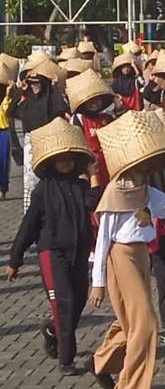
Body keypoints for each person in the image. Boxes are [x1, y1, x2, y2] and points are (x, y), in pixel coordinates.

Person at [88, 110, 165, 389]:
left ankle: (101, 362)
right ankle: (131, 384)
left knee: (131, 322)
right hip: (121, 258)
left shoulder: (145, 190)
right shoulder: (115, 193)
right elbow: (103, 241)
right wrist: (98, 283)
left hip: (143, 254)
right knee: (146, 323)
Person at [5, 119, 100, 375]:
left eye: (70, 158)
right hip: (52, 252)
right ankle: (65, 359)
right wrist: (15, 260)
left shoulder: (80, 186)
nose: (66, 162)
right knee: (64, 303)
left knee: (79, 299)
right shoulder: (43, 191)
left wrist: (92, 176)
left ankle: (52, 330)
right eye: (61, 159)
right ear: (51, 162)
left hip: (79, 252)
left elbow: (93, 203)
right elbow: (28, 227)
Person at [10, 67, 69, 212]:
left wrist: (55, 88)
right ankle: (31, 212)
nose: (34, 86)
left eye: (37, 82)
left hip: (50, 141)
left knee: (51, 177)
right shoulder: (27, 102)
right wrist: (20, 91)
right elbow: (10, 111)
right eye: (31, 83)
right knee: (31, 182)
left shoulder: (50, 100)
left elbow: (61, 108)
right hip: (31, 142)